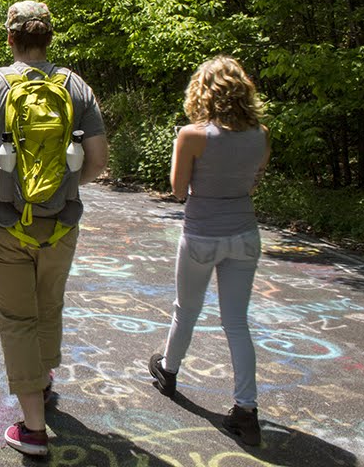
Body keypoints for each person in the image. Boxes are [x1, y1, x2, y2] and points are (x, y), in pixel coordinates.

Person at [0, 0, 108, 456]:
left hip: (3, 221)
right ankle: (42, 380)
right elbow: (97, 163)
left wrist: (7, 180)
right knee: (49, 304)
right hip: (62, 222)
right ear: (49, 38)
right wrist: (59, 187)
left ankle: (34, 429)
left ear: (11, 39)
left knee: (16, 319)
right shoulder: (77, 87)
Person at [148, 55, 271, 447]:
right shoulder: (262, 135)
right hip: (245, 234)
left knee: (187, 309)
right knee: (236, 322)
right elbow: (251, 185)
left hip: (202, 234)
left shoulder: (192, 135)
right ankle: (246, 410)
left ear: (203, 93)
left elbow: (179, 190)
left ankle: (168, 370)